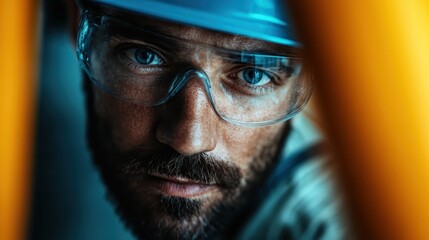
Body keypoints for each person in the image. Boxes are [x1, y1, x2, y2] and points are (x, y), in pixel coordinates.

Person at [73, 0, 348, 239]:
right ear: (80, 33)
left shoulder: (329, 219)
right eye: (145, 56)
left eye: (252, 75)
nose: (189, 140)